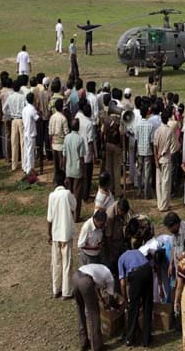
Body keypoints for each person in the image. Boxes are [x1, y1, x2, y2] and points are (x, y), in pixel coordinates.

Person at [72, 262, 116, 351]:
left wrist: (101, 299)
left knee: (80, 309)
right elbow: (110, 298)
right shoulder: (110, 278)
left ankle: (83, 342)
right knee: (94, 314)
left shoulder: (101, 269)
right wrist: (112, 306)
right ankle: (97, 346)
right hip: (85, 281)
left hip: (75, 277)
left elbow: (96, 287)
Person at [48, 171, 77, 299]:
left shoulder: (52, 196)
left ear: (54, 182)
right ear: (64, 181)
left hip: (55, 233)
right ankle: (66, 292)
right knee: (67, 263)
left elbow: (49, 218)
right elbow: (74, 206)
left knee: (56, 262)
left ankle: (56, 290)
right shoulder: (67, 194)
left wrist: (49, 234)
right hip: (66, 233)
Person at [118, 247, 153, 348]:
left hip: (136, 274)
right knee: (147, 305)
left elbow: (122, 282)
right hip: (147, 269)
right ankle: (146, 339)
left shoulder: (121, 258)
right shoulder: (138, 251)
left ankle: (130, 338)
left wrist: (125, 298)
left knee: (133, 308)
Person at [63, 119, 86, 222]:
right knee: (77, 195)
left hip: (68, 169)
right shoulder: (80, 139)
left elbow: (64, 155)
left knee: (69, 193)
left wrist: (63, 168)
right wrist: (84, 171)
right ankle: (76, 217)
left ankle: (69, 215)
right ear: (78, 127)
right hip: (77, 170)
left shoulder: (66, 138)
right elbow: (81, 158)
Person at [154, 109, 177, 212]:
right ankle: (164, 205)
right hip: (166, 158)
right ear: (167, 119)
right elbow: (174, 147)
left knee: (159, 183)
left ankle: (160, 203)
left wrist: (155, 159)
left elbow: (154, 146)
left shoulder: (157, 130)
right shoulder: (169, 130)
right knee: (166, 183)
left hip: (158, 159)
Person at [104, 197, 131, 278]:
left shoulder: (124, 209)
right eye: (122, 212)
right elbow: (108, 235)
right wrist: (111, 251)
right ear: (118, 209)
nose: (123, 214)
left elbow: (125, 223)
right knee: (114, 260)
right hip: (111, 240)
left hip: (119, 236)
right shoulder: (110, 215)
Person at [21, 92, 39, 176]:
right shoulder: (32, 109)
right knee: (30, 152)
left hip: (26, 132)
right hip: (31, 133)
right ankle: (30, 170)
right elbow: (37, 118)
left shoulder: (25, 108)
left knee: (26, 151)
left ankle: (25, 167)